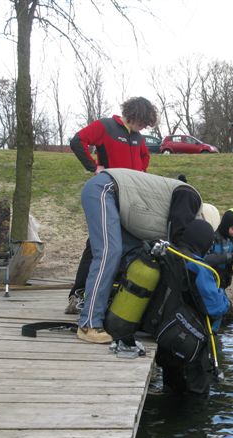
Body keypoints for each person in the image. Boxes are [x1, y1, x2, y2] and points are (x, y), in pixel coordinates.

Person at [76, 168, 208, 344]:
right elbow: (176, 243)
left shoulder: (184, 211)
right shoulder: (191, 197)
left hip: (118, 203)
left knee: (136, 257)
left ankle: (110, 313)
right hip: (105, 189)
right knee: (109, 253)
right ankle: (88, 323)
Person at [65, 97, 158, 315]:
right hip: (105, 194)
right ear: (135, 115)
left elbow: (144, 157)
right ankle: (77, 295)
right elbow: (77, 141)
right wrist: (94, 167)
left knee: (118, 243)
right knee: (96, 246)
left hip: (130, 197)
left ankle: (106, 294)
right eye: (144, 122)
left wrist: (141, 175)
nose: (144, 127)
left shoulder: (138, 137)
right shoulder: (105, 126)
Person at [155, 219, 230, 395]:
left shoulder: (171, 255)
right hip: (191, 343)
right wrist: (224, 297)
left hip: (166, 333)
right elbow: (216, 307)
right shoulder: (199, 268)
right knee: (197, 395)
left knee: (171, 389)